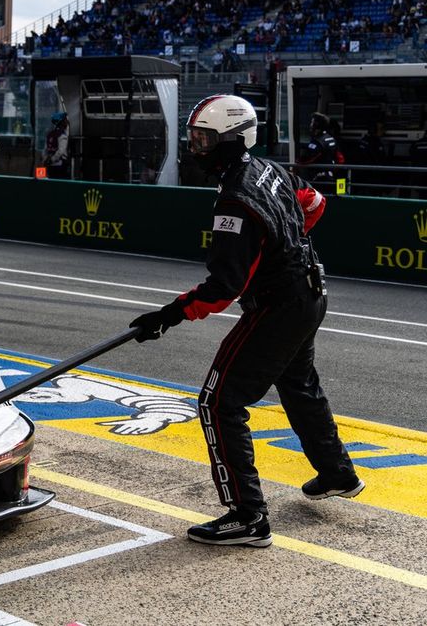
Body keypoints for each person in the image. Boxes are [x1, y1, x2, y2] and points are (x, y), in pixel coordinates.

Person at [129, 95, 363, 548]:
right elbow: (315, 204)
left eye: (204, 140)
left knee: (218, 403)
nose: (195, 147)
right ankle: (337, 472)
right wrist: (286, 244)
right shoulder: (271, 169)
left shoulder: (235, 200)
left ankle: (248, 515)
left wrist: (167, 316)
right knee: (298, 383)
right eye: (194, 137)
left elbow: (223, 288)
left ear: (233, 140)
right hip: (312, 293)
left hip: (279, 306)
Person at [296, 112, 343, 185]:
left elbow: (308, 159)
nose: (310, 125)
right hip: (333, 176)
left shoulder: (317, 142)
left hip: (319, 179)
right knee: (335, 195)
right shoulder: (331, 138)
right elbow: (340, 159)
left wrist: (296, 162)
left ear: (317, 125)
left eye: (312, 123)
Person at [43, 112, 70, 179]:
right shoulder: (62, 135)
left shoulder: (50, 134)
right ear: (60, 122)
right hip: (60, 165)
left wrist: (46, 160)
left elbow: (45, 149)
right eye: (65, 120)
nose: (66, 122)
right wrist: (52, 159)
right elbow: (61, 151)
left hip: (51, 165)